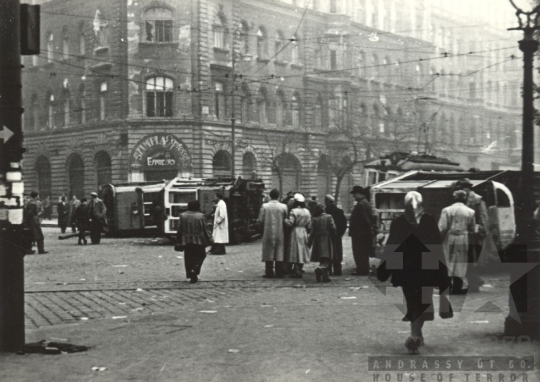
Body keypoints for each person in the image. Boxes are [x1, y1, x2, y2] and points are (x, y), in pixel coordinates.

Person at [377, 191, 452, 354]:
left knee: (413, 302)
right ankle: (414, 336)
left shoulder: (398, 222)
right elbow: (436, 246)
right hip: (426, 269)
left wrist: (385, 269)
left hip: (406, 270)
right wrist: (442, 272)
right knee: (423, 302)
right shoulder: (429, 221)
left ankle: (416, 335)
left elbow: (393, 246)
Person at [438, 190, 476, 295]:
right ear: (464, 199)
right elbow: (473, 228)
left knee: (447, 261)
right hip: (464, 238)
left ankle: (446, 287)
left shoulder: (446, 210)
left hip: (450, 237)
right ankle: (457, 287)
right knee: (461, 262)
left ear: (454, 198)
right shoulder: (470, 212)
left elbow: (442, 227)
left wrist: (439, 240)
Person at [455, 178, 489, 292]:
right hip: (465, 235)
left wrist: (480, 232)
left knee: (470, 260)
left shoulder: (477, 200)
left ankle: (475, 282)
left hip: (473, 236)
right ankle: (475, 282)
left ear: (467, 188)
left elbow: (483, 218)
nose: (461, 190)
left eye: (462, 187)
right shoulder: (463, 199)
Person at [176, 200, 213, 283]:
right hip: (199, 240)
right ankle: (195, 270)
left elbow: (179, 229)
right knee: (201, 255)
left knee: (188, 257)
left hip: (186, 240)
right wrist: (210, 238)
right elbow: (206, 229)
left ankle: (190, 274)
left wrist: (178, 240)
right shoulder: (201, 216)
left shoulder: (183, 215)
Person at [258, 188, 289, 279]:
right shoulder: (284, 206)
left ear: (270, 196)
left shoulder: (265, 206)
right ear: (278, 196)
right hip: (280, 231)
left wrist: (261, 229)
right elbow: (286, 219)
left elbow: (260, 220)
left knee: (268, 251)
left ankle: (269, 272)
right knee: (279, 251)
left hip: (268, 231)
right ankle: (279, 272)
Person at [349, 185, 375, 276]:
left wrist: (368, 230)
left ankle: (362, 270)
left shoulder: (361, 204)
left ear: (360, 194)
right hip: (363, 233)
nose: (354, 196)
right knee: (363, 252)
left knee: (359, 252)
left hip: (359, 233)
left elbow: (365, 219)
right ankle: (363, 269)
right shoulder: (365, 203)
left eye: (355, 194)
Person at [284, 193, 311, 278]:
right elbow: (309, 224)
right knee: (302, 249)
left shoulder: (294, 211)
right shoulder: (307, 211)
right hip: (304, 231)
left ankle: (296, 270)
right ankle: (300, 268)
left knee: (295, 250)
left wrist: (285, 220)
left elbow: (290, 223)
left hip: (295, 231)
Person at [308, 204, 336, 283]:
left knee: (321, 257)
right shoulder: (329, 217)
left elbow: (312, 231)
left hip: (317, 240)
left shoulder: (314, 218)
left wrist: (309, 242)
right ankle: (321, 269)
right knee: (327, 257)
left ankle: (325, 276)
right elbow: (333, 227)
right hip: (327, 239)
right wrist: (333, 235)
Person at [324, 195, 347, 276]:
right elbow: (344, 223)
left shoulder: (325, 211)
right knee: (337, 252)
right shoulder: (339, 211)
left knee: (328, 252)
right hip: (337, 235)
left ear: (326, 201)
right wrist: (341, 233)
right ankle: (338, 270)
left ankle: (328, 270)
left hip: (327, 235)